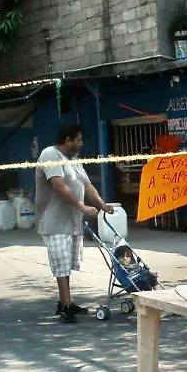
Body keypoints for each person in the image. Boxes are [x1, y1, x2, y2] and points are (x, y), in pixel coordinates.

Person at [35, 123, 114, 324]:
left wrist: (101, 204)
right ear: (68, 140)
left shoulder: (74, 161)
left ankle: (65, 302)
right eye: (78, 139)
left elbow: (86, 185)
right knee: (60, 265)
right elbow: (59, 187)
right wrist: (83, 208)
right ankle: (66, 306)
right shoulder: (50, 155)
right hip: (53, 220)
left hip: (71, 222)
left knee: (67, 264)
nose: (81, 143)